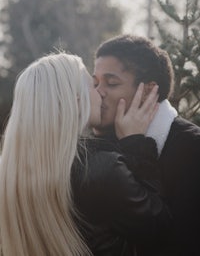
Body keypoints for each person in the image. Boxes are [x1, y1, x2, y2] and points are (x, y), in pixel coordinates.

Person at [0, 52, 171, 256]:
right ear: (77, 98)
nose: (100, 93)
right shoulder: (102, 170)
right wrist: (135, 144)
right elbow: (160, 229)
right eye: (93, 85)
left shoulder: (11, 173)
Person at [93, 34, 200, 256]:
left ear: (149, 91)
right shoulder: (100, 144)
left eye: (111, 83)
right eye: (95, 83)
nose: (98, 92)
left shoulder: (192, 148)